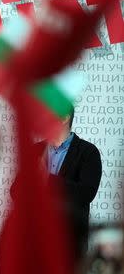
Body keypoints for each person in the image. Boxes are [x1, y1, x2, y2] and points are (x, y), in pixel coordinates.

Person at [11, 105, 102, 259]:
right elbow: (15, 191)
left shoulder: (88, 151)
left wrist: (48, 180)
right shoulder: (35, 150)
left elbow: (86, 193)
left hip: (70, 244)